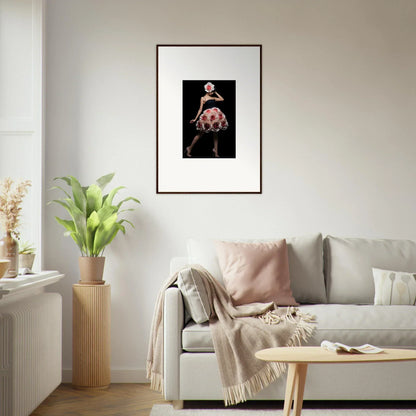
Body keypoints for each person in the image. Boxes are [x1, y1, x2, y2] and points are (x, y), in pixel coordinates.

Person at [186, 82, 228, 158]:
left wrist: (216, 92)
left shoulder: (213, 97)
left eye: (213, 91)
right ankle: (189, 148)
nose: (212, 93)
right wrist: (195, 119)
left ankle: (216, 151)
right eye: (211, 91)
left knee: (216, 134)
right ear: (207, 91)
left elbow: (222, 99)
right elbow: (200, 109)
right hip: (208, 118)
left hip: (215, 118)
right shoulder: (203, 98)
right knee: (200, 134)